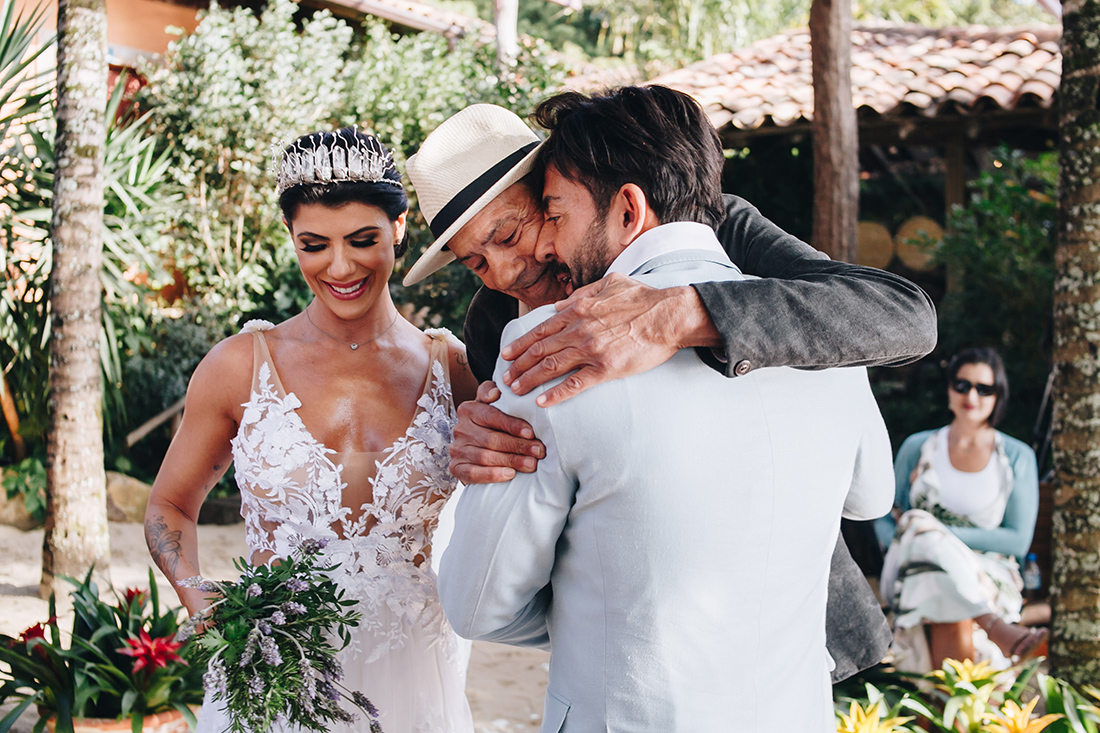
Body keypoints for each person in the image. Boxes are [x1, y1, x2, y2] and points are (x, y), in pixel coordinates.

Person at [402, 101, 936, 682]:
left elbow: (900, 314)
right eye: (475, 261)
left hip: (804, 628)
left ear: (556, 191)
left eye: (511, 233)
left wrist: (680, 312)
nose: (505, 273)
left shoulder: (712, 224)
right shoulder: (494, 325)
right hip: (641, 651)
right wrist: (482, 441)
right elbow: (523, 504)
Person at [143, 129, 479, 733]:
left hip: (412, 678)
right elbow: (169, 504)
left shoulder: (454, 369)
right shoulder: (238, 366)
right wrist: (200, 600)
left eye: (363, 240)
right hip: (274, 684)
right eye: (315, 244)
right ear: (292, 239)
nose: (340, 266)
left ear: (399, 229)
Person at [876, 347, 1045, 672]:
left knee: (935, 575)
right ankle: (996, 628)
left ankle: (938, 715)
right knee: (917, 530)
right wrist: (902, 542)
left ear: (999, 395)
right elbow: (884, 513)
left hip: (989, 570)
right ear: (949, 388)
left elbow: (1017, 541)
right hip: (910, 562)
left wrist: (936, 535)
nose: (972, 395)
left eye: (984, 388)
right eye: (962, 384)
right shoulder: (918, 447)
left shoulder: (1016, 457)